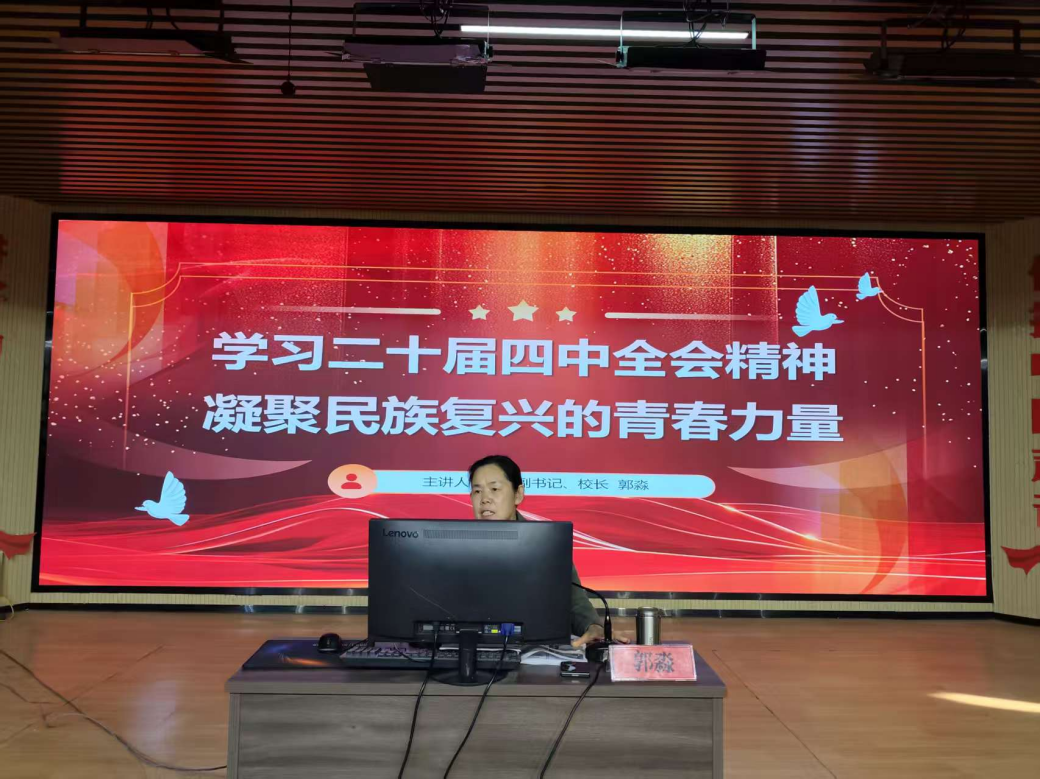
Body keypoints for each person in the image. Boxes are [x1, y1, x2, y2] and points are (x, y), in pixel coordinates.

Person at [467, 454, 627, 649]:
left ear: (518, 494)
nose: (484, 499)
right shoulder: (457, 549)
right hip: (471, 649)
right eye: (477, 491)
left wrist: (593, 627)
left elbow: (575, 603)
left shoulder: (546, 544)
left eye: (494, 489)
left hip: (535, 652)